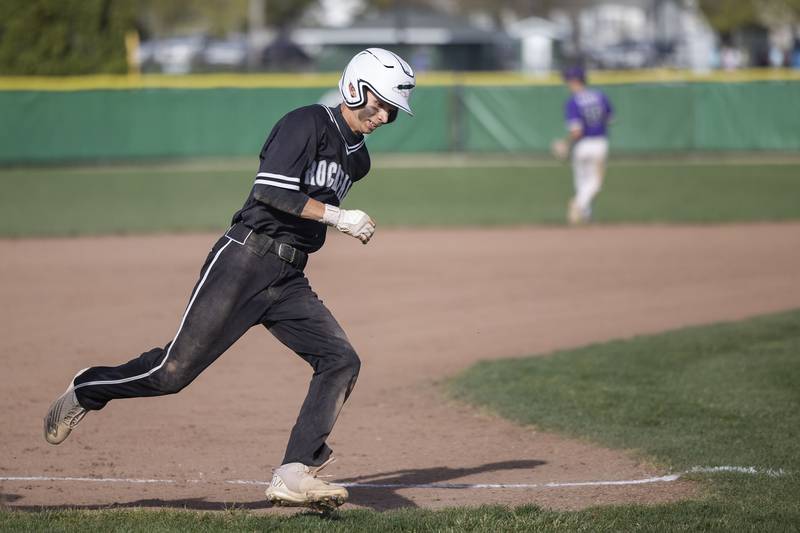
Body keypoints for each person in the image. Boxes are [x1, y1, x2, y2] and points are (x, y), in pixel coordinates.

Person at [43, 47, 416, 510]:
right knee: (170, 374)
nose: (382, 116)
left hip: (288, 275)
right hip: (244, 259)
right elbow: (270, 190)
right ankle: (89, 387)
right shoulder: (306, 122)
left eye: (391, 111)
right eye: (378, 103)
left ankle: (294, 471)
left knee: (340, 359)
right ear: (355, 87)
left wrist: (332, 220)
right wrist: (340, 218)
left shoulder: (358, 160)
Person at [553, 65, 613, 225]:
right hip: (599, 143)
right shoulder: (600, 96)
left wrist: (565, 144)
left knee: (582, 181)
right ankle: (584, 212)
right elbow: (610, 118)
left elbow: (576, 132)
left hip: (581, 145)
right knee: (594, 183)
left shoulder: (572, 102)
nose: (568, 84)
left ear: (575, 81)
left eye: (569, 81)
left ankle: (580, 207)